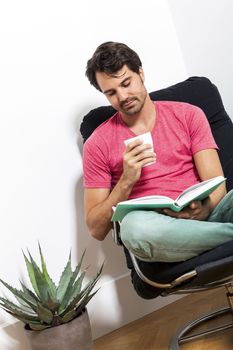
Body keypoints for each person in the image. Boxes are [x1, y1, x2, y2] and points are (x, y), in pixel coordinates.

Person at [83, 41, 233, 263]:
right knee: (133, 230)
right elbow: (96, 229)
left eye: (126, 83)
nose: (123, 97)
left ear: (141, 73)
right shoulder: (97, 144)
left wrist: (204, 209)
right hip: (161, 231)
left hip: (208, 214)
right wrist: (126, 181)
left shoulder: (189, 114)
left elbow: (216, 183)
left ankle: (212, 237)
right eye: (111, 93)